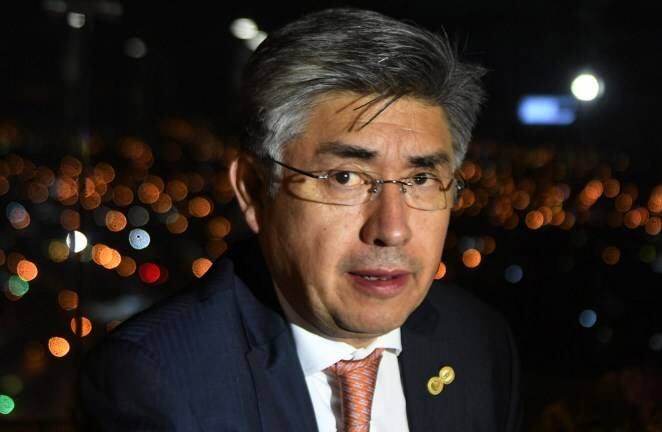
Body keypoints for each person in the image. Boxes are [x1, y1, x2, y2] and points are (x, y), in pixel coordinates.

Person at [79, 8, 520, 431]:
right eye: (345, 177)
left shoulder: (479, 343)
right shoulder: (160, 379)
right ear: (255, 190)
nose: (391, 229)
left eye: (420, 179)